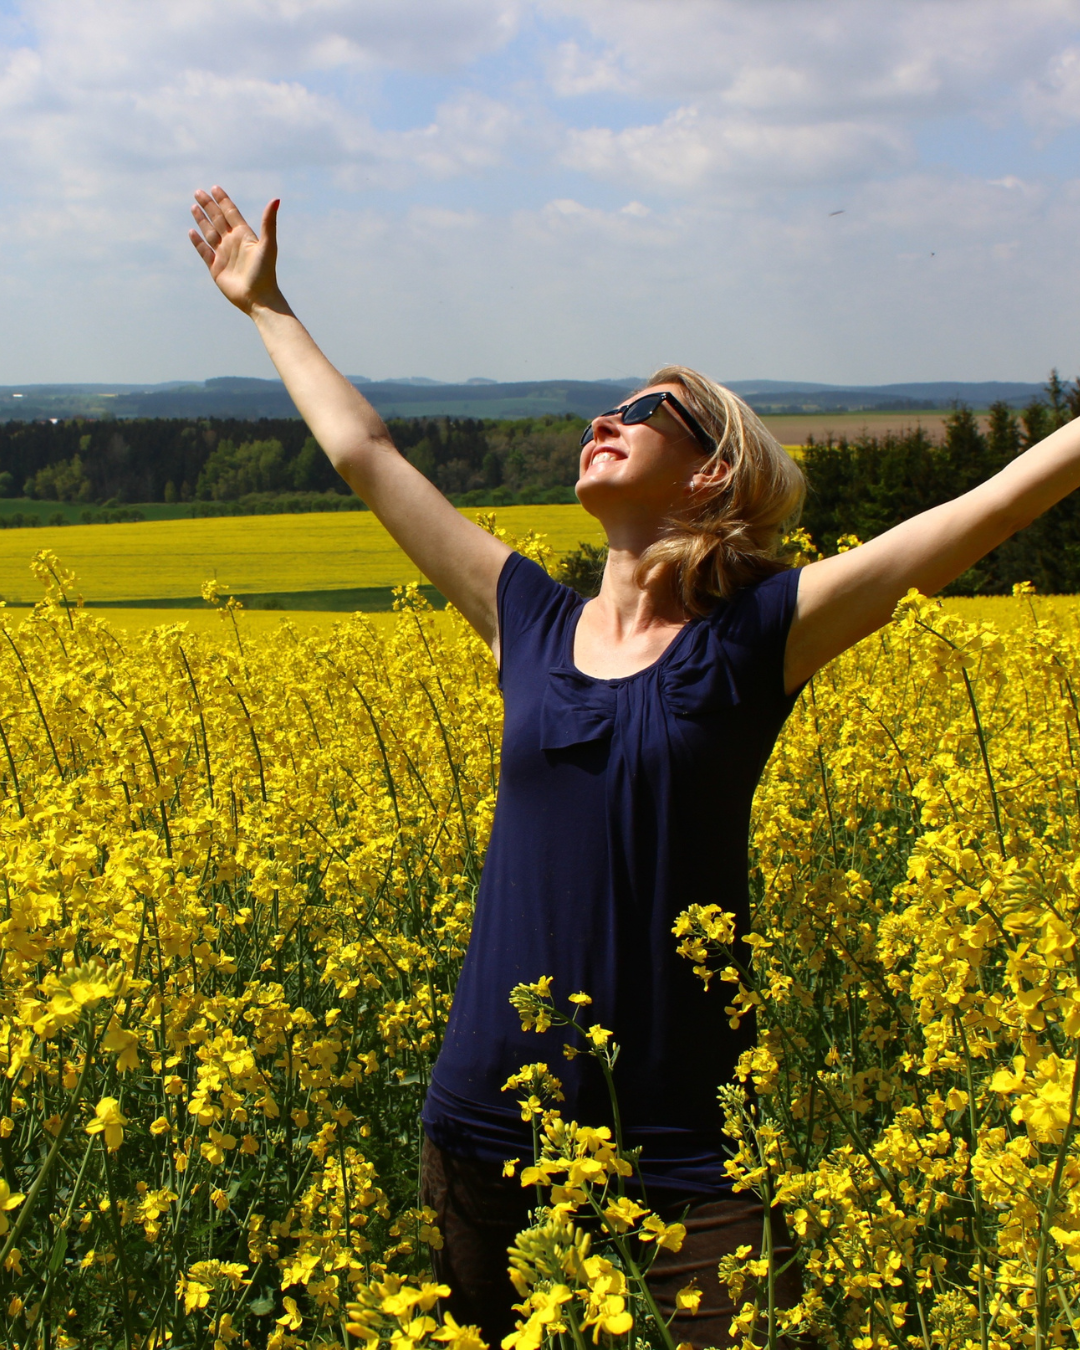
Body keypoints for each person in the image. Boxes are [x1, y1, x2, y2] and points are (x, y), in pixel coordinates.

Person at [189, 187, 1080, 1349]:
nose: (602, 420)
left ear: (714, 474)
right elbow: (367, 452)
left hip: (689, 1145)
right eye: (602, 408)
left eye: (643, 410)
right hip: (487, 1127)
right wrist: (266, 306)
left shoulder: (757, 637)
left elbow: (977, 512)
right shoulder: (529, 625)